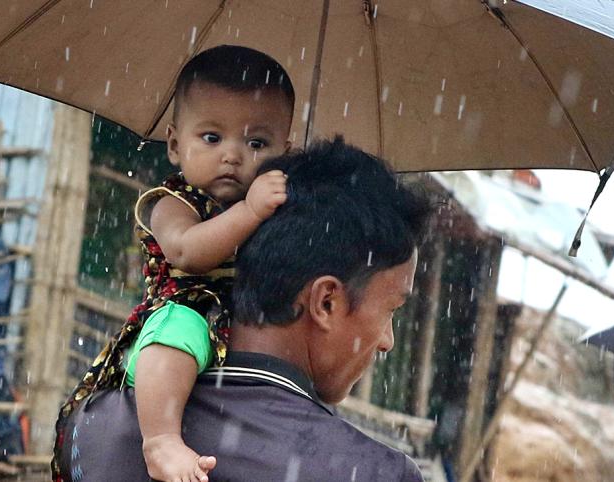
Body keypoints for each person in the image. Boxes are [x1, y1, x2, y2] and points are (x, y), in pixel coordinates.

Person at [58, 137, 430, 482]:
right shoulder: (371, 473)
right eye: (391, 311)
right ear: (326, 302)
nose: (387, 341)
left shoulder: (92, 423)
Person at [52, 45, 295, 482]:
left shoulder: (275, 208)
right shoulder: (173, 203)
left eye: (257, 142)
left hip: (240, 326)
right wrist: (252, 213)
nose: (233, 155)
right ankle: (160, 441)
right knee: (181, 329)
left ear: (286, 151)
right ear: (174, 144)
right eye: (212, 137)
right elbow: (188, 251)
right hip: (182, 315)